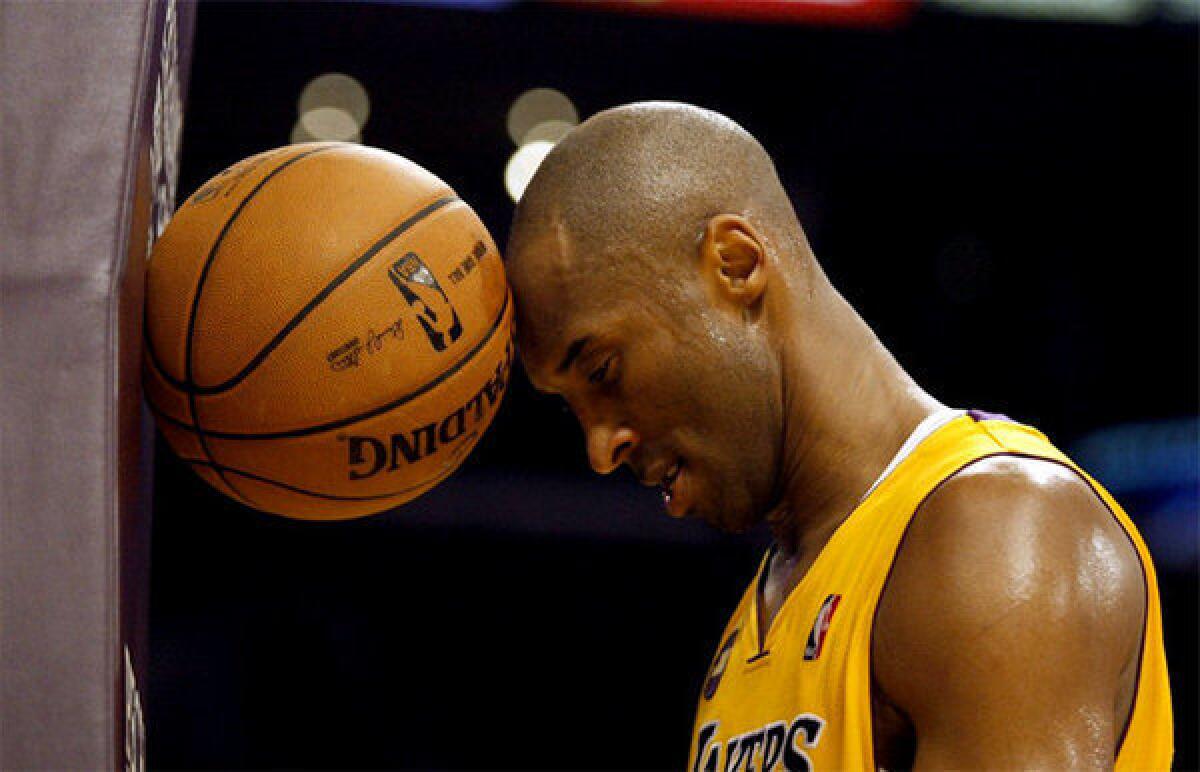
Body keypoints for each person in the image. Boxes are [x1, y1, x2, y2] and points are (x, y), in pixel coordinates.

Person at [504, 102, 1172, 770]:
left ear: (735, 264)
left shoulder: (1000, 533)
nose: (599, 447)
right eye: (572, 406)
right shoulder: (770, 605)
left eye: (602, 370)